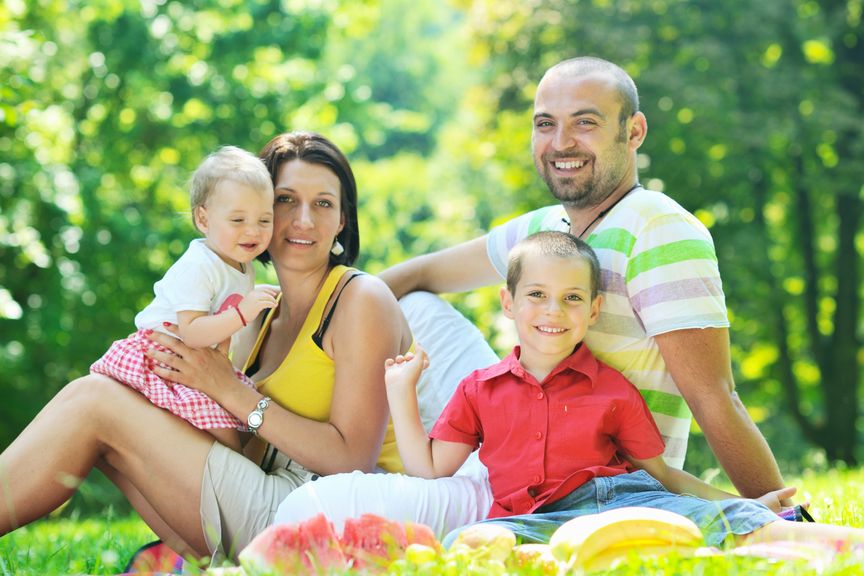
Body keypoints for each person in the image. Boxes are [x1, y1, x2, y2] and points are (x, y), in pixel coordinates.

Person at [377, 55, 789, 501]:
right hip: (509, 452)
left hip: (601, 489)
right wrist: (307, 317)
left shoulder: (657, 228)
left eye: (584, 123)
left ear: (633, 132)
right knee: (404, 303)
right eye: (545, 124)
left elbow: (715, 397)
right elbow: (418, 272)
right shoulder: (541, 229)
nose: (561, 143)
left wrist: (777, 514)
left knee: (336, 505)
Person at [0, 131, 413, 564]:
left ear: (344, 219)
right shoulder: (257, 311)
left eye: (324, 203)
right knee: (102, 404)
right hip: (260, 488)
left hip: (314, 513)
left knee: (94, 402)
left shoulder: (360, 300)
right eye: (286, 200)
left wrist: (231, 392)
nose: (303, 220)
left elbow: (351, 460)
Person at [385, 231, 864, 551]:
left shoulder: (612, 389)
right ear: (508, 302)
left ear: (592, 311)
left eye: (572, 298)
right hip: (532, 518)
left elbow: (665, 477)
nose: (553, 311)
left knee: (737, 527)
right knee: (467, 545)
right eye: (536, 295)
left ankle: (840, 543)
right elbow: (428, 468)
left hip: (625, 499)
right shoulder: (478, 391)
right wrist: (401, 392)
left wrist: (735, 503)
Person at [90, 145, 279, 452]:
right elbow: (191, 331)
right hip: (159, 356)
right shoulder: (199, 265)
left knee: (233, 433)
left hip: (192, 360)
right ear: (203, 220)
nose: (252, 231)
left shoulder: (241, 264)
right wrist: (243, 314)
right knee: (226, 440)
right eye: (238, 220)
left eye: (264, 220)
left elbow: (222, 329)